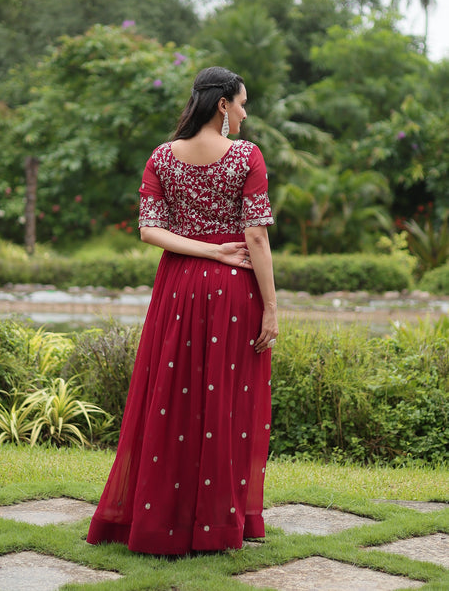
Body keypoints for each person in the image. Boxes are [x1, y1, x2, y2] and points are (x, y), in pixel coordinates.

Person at [87, 66, 278, 555]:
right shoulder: (245, 156)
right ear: (222, 105)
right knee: (224, 403)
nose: (244, 111)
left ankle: (158, 520)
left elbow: (150, 231)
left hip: (176, 288)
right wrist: (271, 306)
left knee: (171, 399)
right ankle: (217, 522)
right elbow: (255, 235)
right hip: (234, 290)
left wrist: (201, 251)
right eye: (241, 102)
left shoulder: (161, 157)